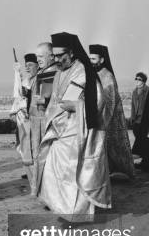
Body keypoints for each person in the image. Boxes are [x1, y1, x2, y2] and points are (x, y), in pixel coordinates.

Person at [36, 32, 111, 221]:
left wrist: (76, 106)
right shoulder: (60, 73)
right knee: (53, 169)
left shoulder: (85, 71)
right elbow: (56, 100)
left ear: (71, 53)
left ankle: (77, 215)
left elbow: (99, 102)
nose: (58, 60)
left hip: (79, 130)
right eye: (55, 56)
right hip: (60, 129)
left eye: (61, 56)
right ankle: (63, 210)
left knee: (74, 174)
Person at [88, 44, 134, 179]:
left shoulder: (107, 76)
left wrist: (101, 119)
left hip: (109, 120)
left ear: (102, 60)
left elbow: (110, 101)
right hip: (98, 116)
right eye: (89, 59)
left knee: (112, 149)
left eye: (94, 59)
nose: (91, 62)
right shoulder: (94, 74)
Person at [28, 42, 60, 194]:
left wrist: (44, 101)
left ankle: (47, 192)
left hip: (45, 121)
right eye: (37, 56)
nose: (38, 59)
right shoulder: (42, 71)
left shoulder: (55, 72)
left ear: (51, 56)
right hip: (36, 120)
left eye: (41, 56)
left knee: (45, 157)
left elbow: (56, 98)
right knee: (37, 156)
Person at [10, 53, 38, 182]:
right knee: (24, 145)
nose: (27, 68)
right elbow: (18, 97)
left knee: (35, 147)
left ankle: (35, 171)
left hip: (35, 119)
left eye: (30, 65)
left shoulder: (39, 80)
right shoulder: (26, 82)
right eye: (26, 66)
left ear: (37, 65)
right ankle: (29, 171)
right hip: (24, 120)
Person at [129, 72, 149, 162]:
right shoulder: (134, 91)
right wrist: (132, 117)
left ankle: (144, 156)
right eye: (136, 79)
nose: (137, 81)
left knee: (143, 137)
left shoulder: (148, 90)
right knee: (137, 134)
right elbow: (133, 106)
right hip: (135, 119)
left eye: (139, 79)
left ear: (144, 81)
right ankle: (141, 155)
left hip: (144, 118)